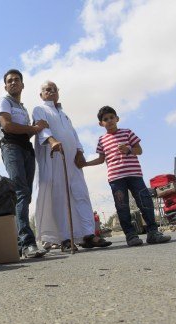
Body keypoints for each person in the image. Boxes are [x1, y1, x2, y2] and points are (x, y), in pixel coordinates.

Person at [32, 81, 111, 252]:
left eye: (54, 89)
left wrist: (80, 152)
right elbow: (42, 130)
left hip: (72, 161)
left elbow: (73, 135)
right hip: (55, 159)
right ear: (41, 95)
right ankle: (65, 239)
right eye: (47, 90)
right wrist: (52, 142)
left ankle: (88, 235)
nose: (51, 92)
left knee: (80, 194)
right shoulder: (40, 109)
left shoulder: (64, 114)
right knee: (60, 197)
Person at [79, 106, 171, 246]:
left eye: (111, 117)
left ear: (117, 118)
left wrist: (128, 150)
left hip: (134, 175)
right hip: (116, 178)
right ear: (101, 123)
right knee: (122, 207)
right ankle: (131, 236)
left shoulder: (127, 132)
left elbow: (139, 151)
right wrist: (85, 164)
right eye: (105, 119)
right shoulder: (102, 140)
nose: (109, 121)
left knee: (145, 203)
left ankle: (153, 232)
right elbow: (100, 159)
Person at [0, 69, 48, 258]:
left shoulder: (23, 108)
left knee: (26, 194)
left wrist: (37, 128)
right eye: (10, 81)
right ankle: (27, 243)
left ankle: (18, 245)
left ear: (23, 85)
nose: (14, 83)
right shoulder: (4, 102)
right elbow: (7, 125)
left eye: (17, 80)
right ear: (6, 86)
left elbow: (29, 131)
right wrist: (33, 128)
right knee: (20, 192)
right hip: (11, 147)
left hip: (26, 148)